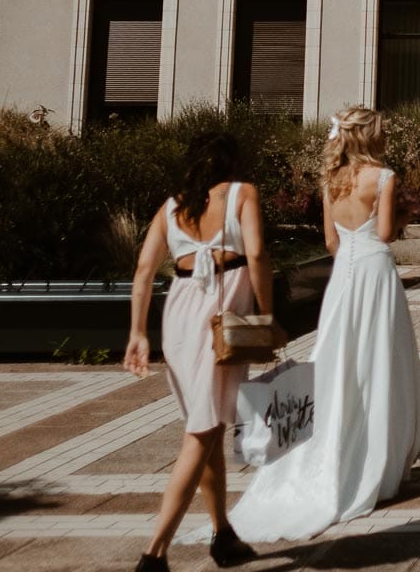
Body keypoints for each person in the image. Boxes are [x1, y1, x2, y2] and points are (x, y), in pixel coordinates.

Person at [221, 105, 420, 542]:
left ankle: (333, 446)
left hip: (344, 273)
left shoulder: (330, 179)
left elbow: (329, 240)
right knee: (383, 359)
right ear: (370, 136)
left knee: (338, 359)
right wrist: (398, 219)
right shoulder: (384, 176)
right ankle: (383, 451)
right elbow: (383, 236)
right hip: (376, 271)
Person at [123, 130, 272, 572]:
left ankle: (222, 533)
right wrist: (267, 312)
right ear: (231, 161)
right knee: (202, 432)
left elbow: (144, 270)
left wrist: (138, 332)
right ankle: (154, 553)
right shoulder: (242, 193)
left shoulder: (172, 206)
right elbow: (259, 253)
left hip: (180, 312)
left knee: (207, 424)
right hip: (219, 315)